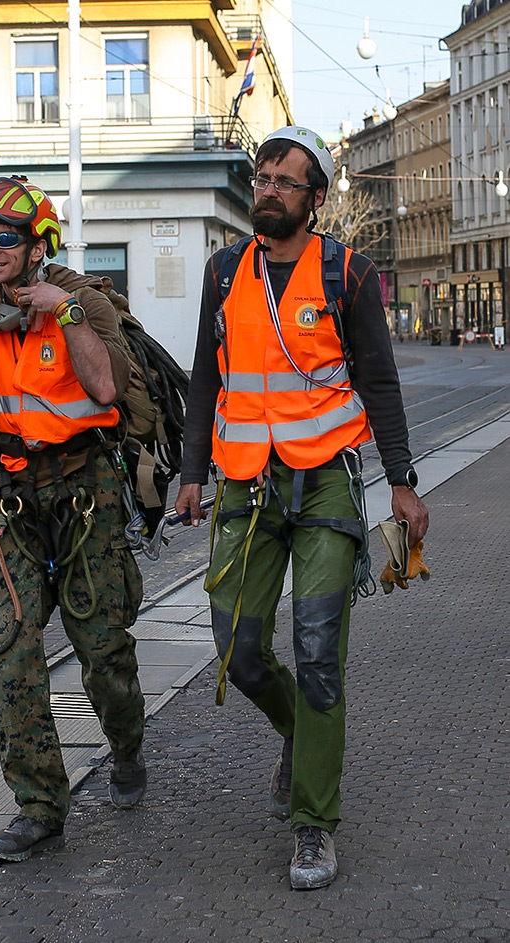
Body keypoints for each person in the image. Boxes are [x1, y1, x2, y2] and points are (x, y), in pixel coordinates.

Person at [175, 127, 429, 890]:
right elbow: (203, 380)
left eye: (287, 181)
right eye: (262, 177)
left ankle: (313, 823)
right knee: (239, 649)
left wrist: (403, 480)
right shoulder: (224, 271)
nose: (269, 189)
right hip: (245, 487)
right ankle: (297, 734)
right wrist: (191, 471)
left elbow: (379, 382)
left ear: (316, 200)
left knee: (318, 651)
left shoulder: (348, 273)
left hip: (323, 484)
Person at [0, 175, 146, 862]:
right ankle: (40, 804)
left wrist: (66, 314)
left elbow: (106, 387)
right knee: (13, 654)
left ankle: (127, 743)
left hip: (84, 494)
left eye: (3, 236)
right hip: (10, 499)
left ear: (38, 240)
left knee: (103, 651)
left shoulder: (87, 304)